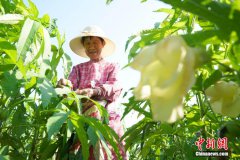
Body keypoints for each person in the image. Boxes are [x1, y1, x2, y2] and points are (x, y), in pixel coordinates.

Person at [57, 25, 127, 160]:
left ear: (103, 44)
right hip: (81, 118)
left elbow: (115, 87)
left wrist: (94, 91)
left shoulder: (112, 66)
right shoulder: (77, 69)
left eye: (95, 42)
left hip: (107, 118)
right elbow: (71, 88)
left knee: (111, 152)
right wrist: (65, 84)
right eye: (87, 43)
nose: (91, 46)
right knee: (81, 153)